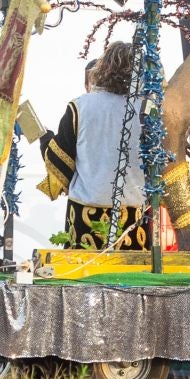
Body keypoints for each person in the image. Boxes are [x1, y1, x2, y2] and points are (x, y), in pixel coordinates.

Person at [38, 41, 151, 250]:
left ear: (104, 67)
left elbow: (60, 162)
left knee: (84, 276)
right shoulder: (147, 109)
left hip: (85, 213)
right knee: (134, 277)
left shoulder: (80, 107)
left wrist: (44, 138)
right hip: (135, 214)